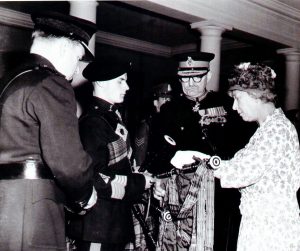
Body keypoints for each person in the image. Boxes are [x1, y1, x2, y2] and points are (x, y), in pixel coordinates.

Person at [169, 62, 300, 251]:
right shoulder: (267, 129)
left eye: (237, 98)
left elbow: (240, 172)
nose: (234, 106)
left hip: (271, 228)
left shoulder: (277, 129)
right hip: (261, 223)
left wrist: (199, 158)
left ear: (254, 95)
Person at [0, 11, 98, 251]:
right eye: (78, 58)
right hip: (33, 208)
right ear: (65, 47)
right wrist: (85, 195)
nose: (76, 71)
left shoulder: (10, 81)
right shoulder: (51, 83)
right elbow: (69, 163)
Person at [152, 53, 256, 251]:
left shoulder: (227, 105)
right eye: (185, 78)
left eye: (197, 77)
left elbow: (244, 146)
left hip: (220, 192)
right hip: (182, 192)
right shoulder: (169, 110)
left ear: (208, 76)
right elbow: (158, 153)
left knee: (219, 241)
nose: (190, 83)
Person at [67, 60, 154, 251]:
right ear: (101, 82)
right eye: (121, 81)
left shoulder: (110, 118)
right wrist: (139, 182)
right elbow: (95, 178)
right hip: (97, 225)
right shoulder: (93, 124)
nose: (127, 86)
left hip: (112, 224)